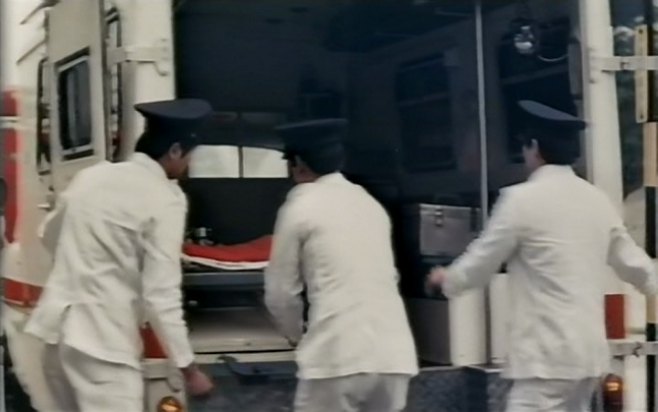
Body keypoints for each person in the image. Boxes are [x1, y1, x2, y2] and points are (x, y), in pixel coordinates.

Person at [426, 100, 658, 412]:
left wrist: (447, 280)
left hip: (545, 358)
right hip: (587, 356)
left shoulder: (520, 200)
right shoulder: (597, 200)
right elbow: (635, 264)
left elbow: (483, 259)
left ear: (534, 148)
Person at [24, 99, 214, 411]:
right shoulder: (166, 198)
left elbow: (49, 234)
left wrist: (83, 263)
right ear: (175, 150)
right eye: (189, 157)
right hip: (103, 349)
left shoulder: (92, 176)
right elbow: (160, 295)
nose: (188, 166)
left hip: (57, 337)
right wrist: (189, 369)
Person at [264, 119, 418, 412]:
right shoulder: (370, 204)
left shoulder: (300, 206)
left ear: (298, 165)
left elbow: (280, 293)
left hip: (336, 356)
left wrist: (298, 337)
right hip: (394, 357)